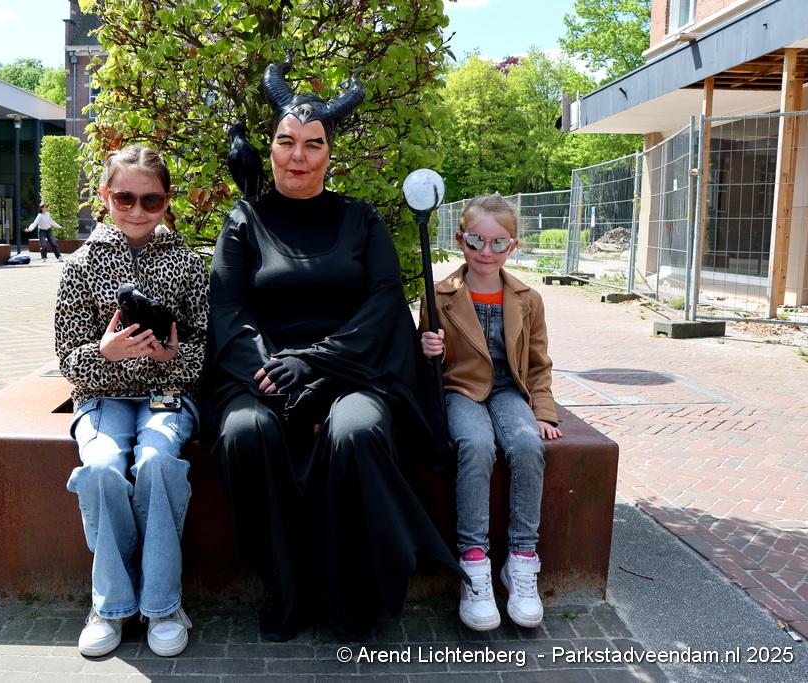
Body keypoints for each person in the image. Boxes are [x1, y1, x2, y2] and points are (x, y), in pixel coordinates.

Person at [208, 58, 461, 641]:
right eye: (286, 142)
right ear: (272, 148)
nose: (297, 156)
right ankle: (286, 589)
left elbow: (384, 303)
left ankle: (351, 595)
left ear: (329, 154)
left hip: (351, 371)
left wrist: (315, 363)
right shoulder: (244, 221)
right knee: (245, 433)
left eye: (312, 144)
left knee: (358, 432)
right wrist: (269, 371)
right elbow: (228, 309)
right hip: (263, 374)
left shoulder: (361, 220)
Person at [55, 144, 209, 659]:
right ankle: (111, 604)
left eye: (151, 200)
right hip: (103, 397)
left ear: (166, 201)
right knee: (100, 468)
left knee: (158, 462)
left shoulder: (187, 264)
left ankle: (163, 604)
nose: (137, 211)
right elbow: (67, 360)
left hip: (167, 392)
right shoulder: (80, 265)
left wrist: (171, 357)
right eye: (125, 198)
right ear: (106, 197)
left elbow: (208, 349)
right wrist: (105, 353)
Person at [419, 194, 561, 632]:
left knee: (527, 444)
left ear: (513, 246)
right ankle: (474, 561)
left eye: (499, 243)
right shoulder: (439, 295)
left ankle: (521, 558)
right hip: (461, 390)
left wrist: (544, 413)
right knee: (476, 444)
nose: (486, 252)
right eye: (476, 241)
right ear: (460, 239)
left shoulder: (527, 299)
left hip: (508, 390)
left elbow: (538, 363)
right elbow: (424, 363)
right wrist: (427, 349)